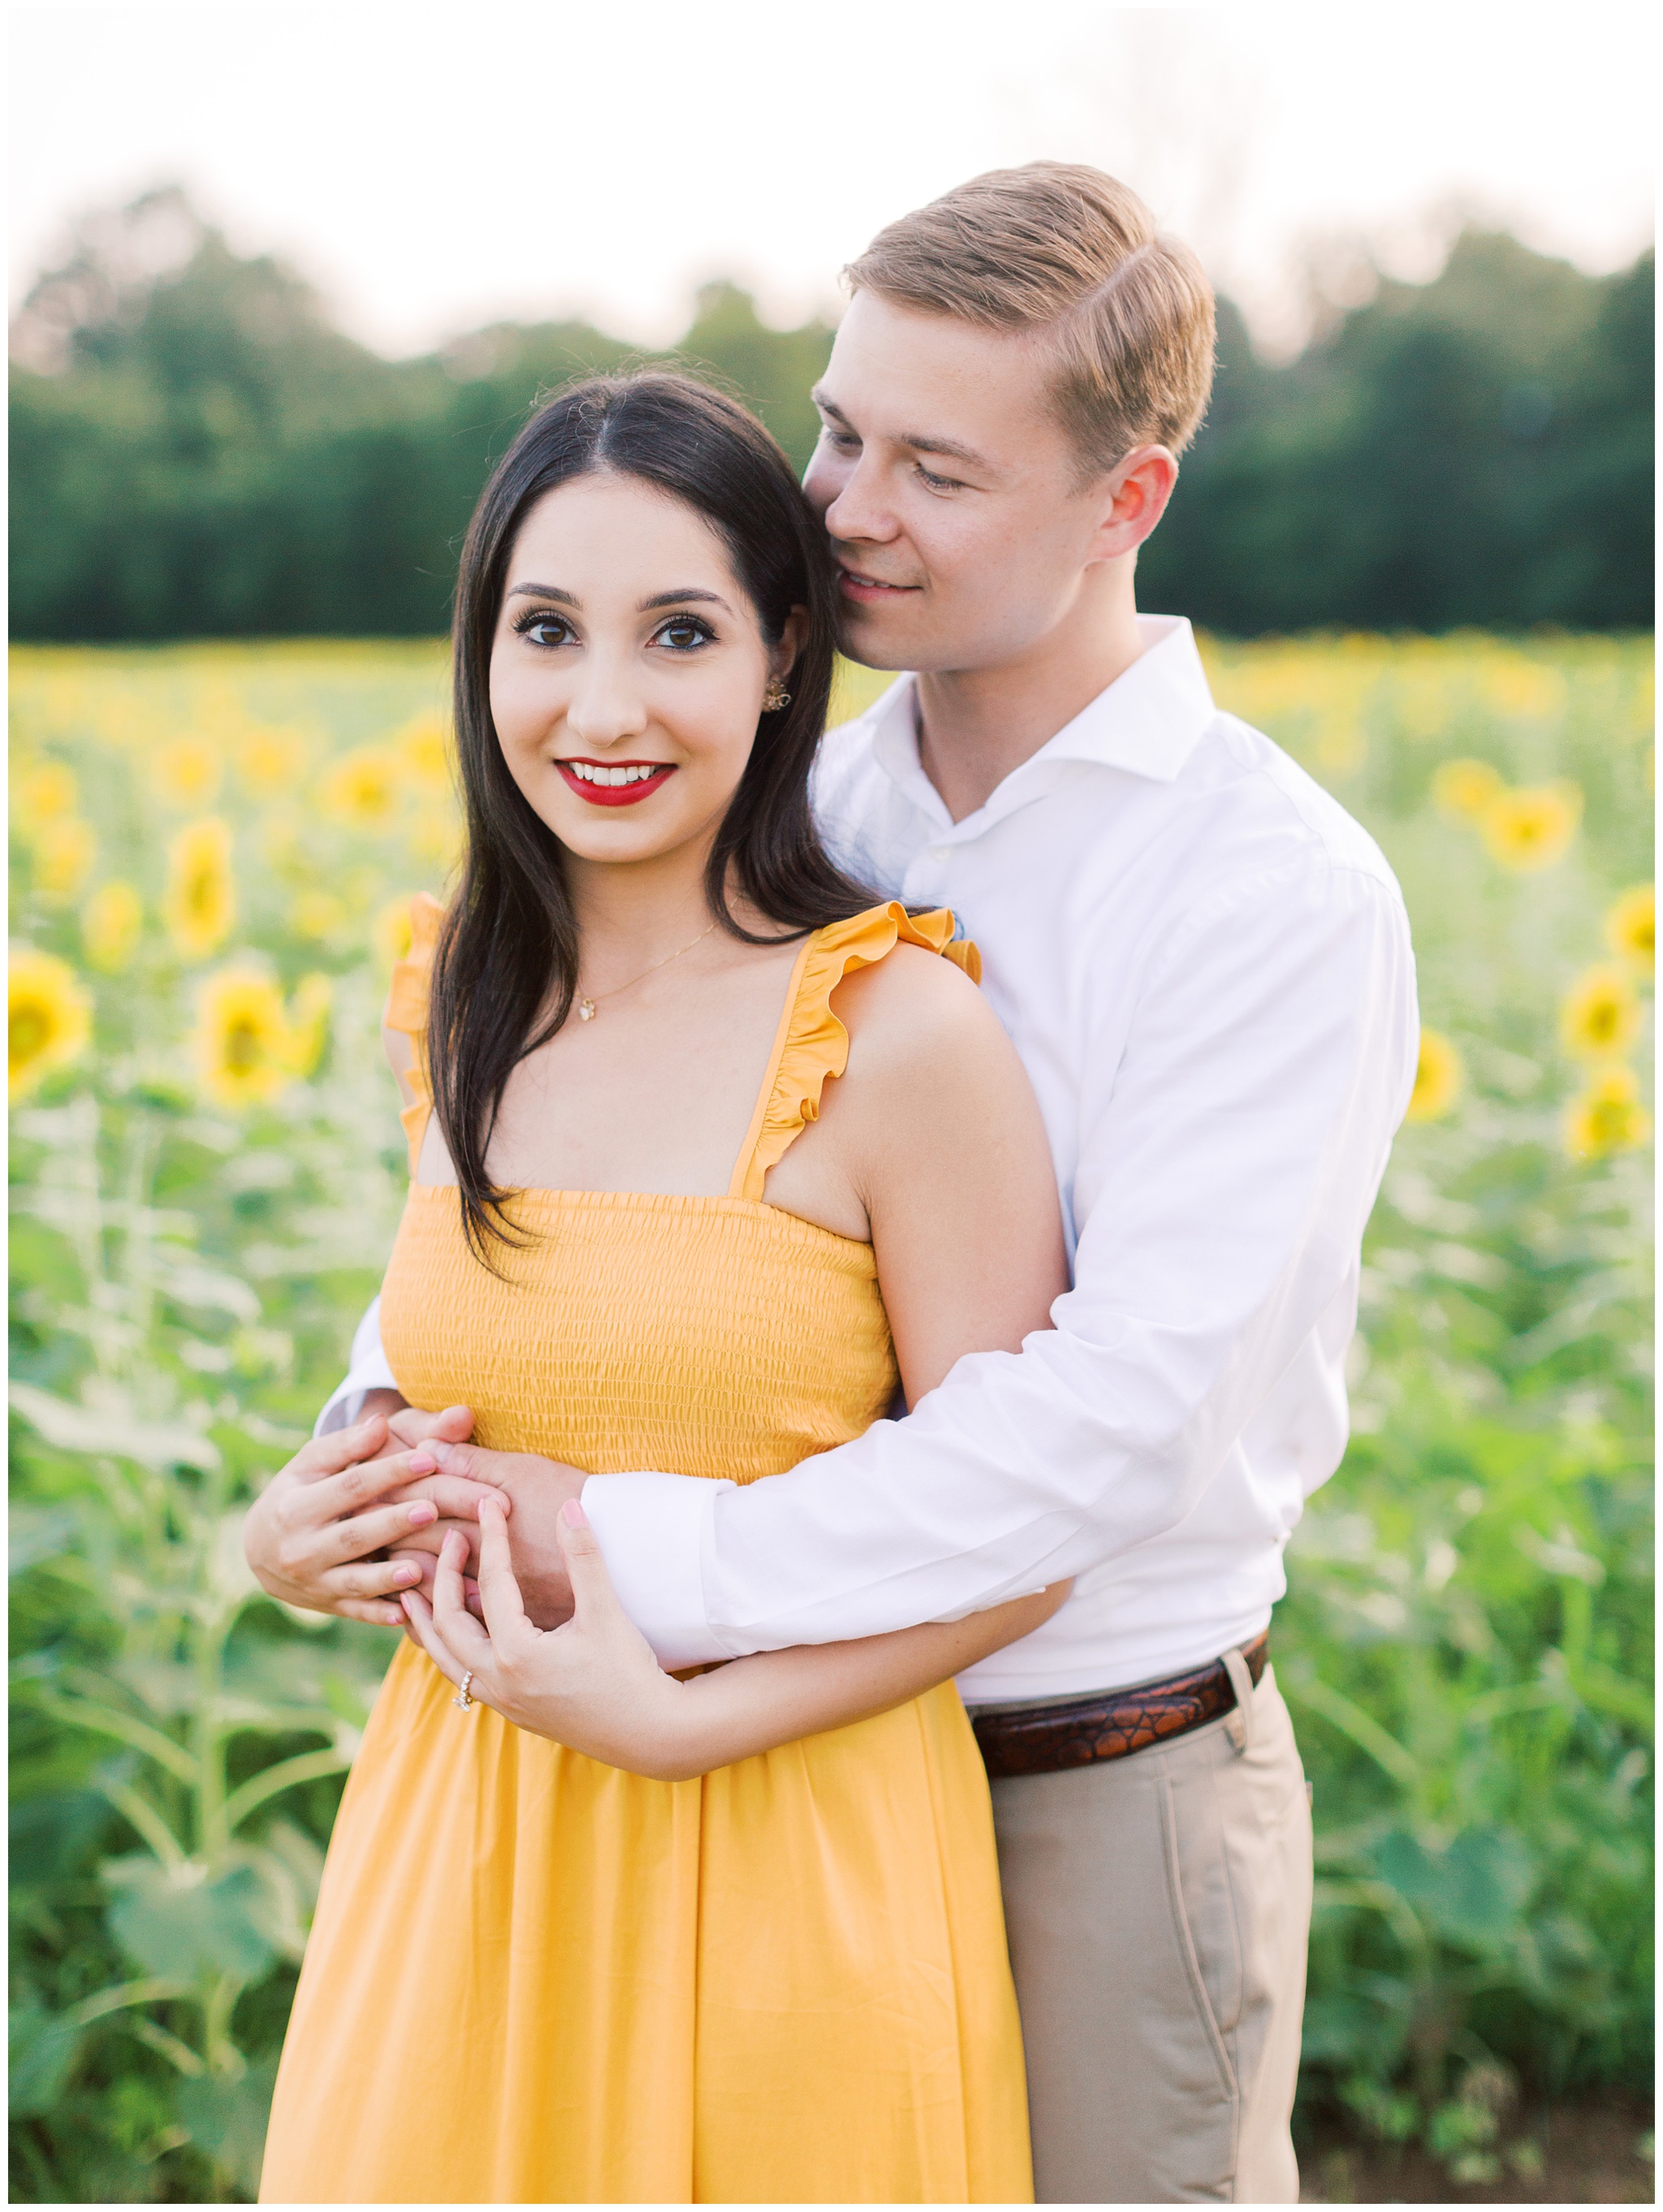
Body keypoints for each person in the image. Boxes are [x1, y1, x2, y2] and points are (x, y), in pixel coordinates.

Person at [254, 164, 1419, 2204]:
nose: (847, 505)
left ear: (1124, 503)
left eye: (934, 470)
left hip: (1084, 1771)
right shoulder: (799, 798)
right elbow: (581, 1187)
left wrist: (616, 1558)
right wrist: (376, 1448)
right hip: (702, 1758)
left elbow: (1102, 1436)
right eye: (836, 428)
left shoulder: (1267, 891)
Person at [253, 370, 1074, 2204]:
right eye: (544, 630)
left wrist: (680, 1720)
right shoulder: (462, 988)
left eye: (679, 633)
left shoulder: (897, 1032)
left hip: (788, 1852)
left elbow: (1023, 1538)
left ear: (785, 659)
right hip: (459, 1843)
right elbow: (447, 1371)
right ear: (481, 655)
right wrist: (304, 1526)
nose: (600, 707)